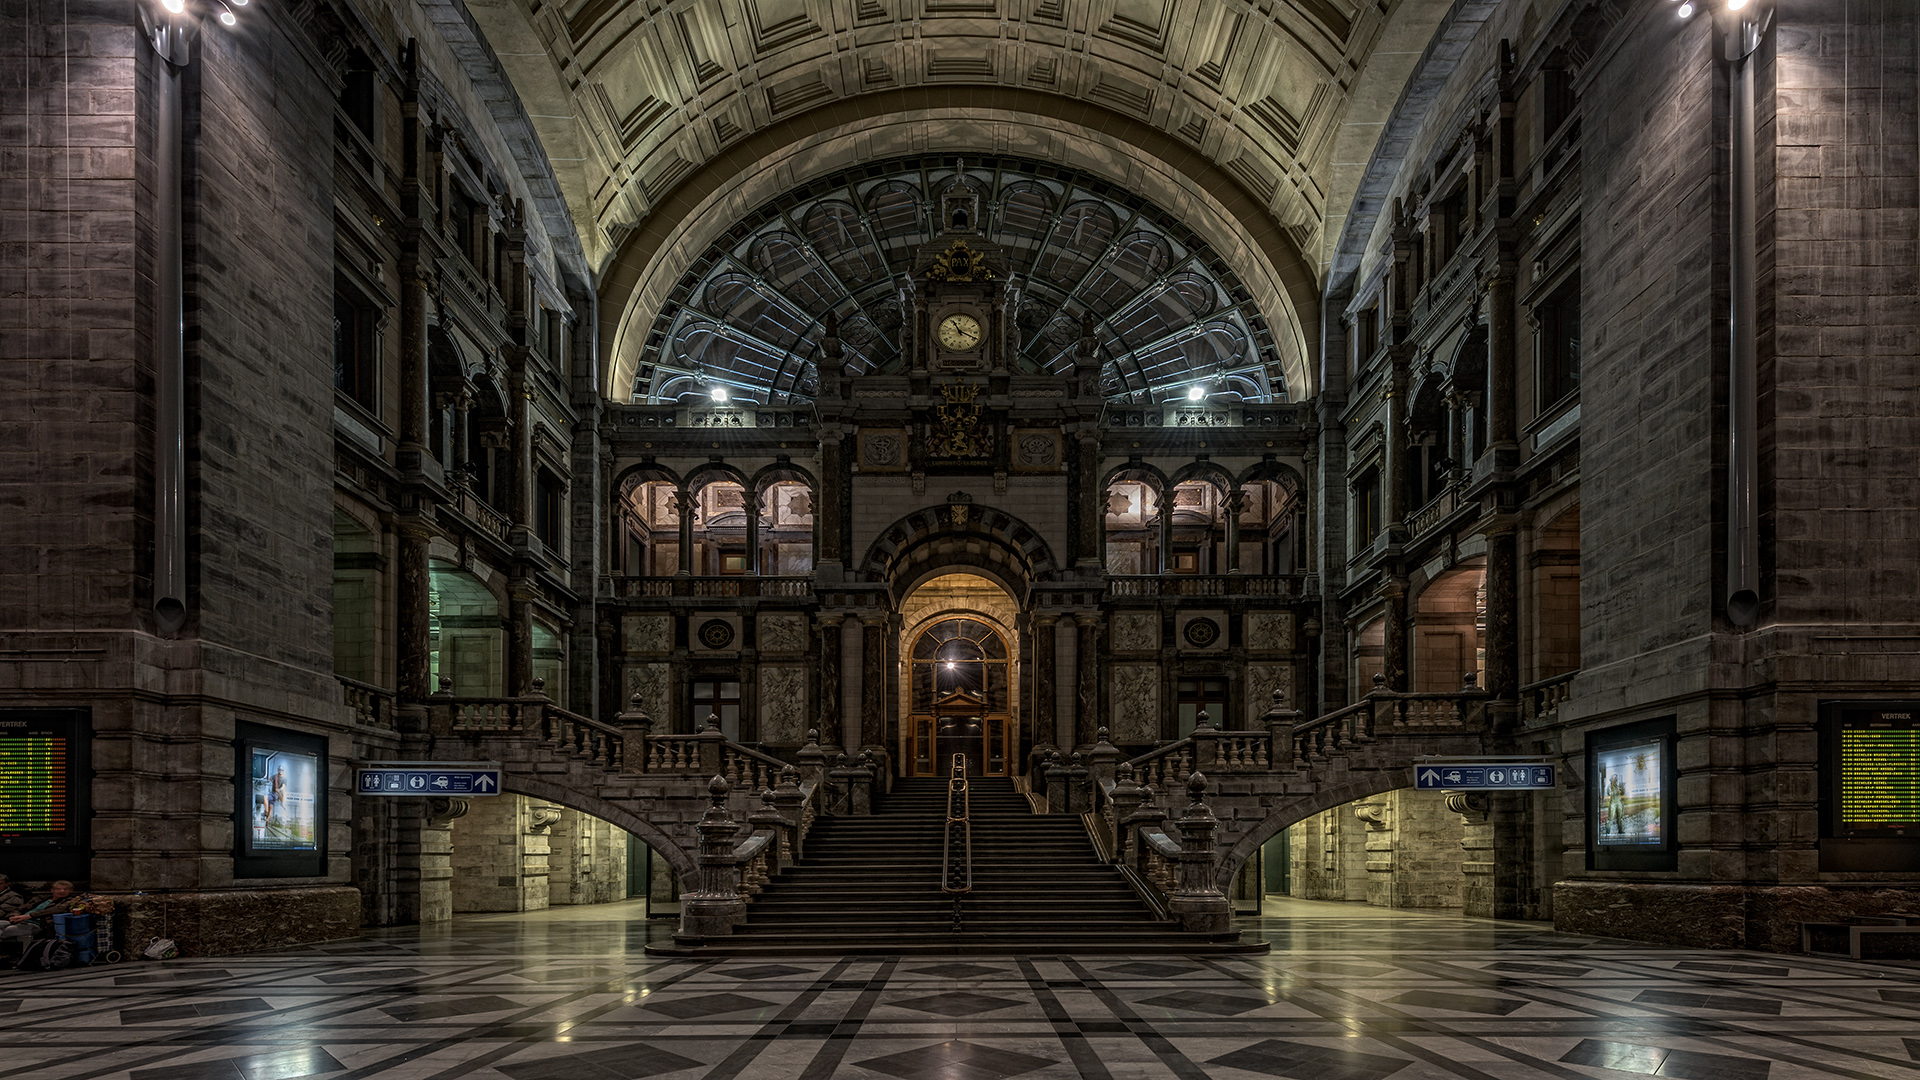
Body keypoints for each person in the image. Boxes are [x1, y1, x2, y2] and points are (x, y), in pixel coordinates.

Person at [0, 880, 74, 966]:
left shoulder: (69, 902)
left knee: (9, 930)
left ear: (71, 891)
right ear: (52, 890)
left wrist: (29, 916)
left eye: (65, 889)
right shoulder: (41, 899)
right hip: (18, 920)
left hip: (37, 924)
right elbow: (21, 908)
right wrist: (14, 915)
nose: (62, 891)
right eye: (58, 889)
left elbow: (56, 910)